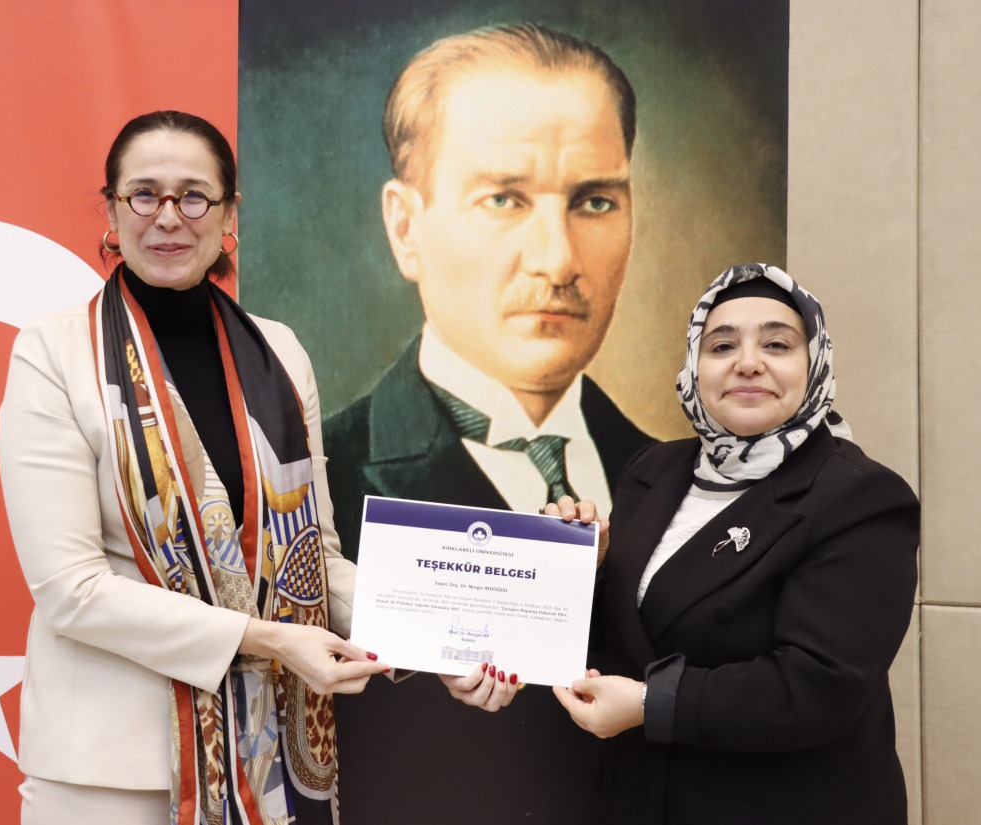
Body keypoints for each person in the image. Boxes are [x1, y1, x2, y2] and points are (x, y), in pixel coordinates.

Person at [0, 111, 388, 825]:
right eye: (144, 193)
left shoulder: (279, 353)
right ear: (113, 211)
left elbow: (314, 559)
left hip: (264, 759)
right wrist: (268, 639)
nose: (169, 217)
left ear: (229, 213)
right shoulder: (53, 353)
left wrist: (440, 636)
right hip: (108, 773)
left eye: (194, 195)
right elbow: (71, 590)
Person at [323, 23, 652, 824]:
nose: (556, 259)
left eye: (594, 201)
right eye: (503, 199)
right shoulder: (321, 476)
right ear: (406, 227)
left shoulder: (673, 474)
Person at [548, 263, 919, 824]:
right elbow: (630, 637)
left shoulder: (860, 496)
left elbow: (818, 685)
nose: (748, 362)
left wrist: (650, 704)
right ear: (695, 368)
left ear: (815, 362)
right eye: (722, 346)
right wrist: (585, 573)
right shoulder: (652, 470)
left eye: (777, 344)